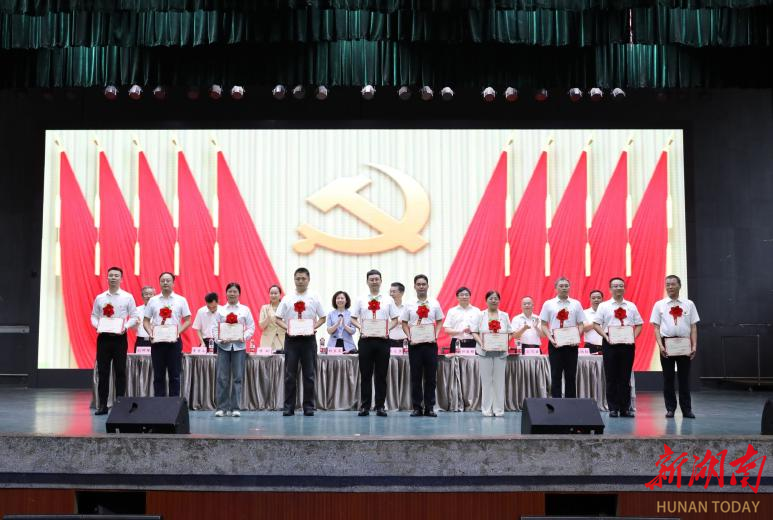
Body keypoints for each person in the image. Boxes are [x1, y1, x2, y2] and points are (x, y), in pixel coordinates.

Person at [274, 268, 326, 416]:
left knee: (309, 375)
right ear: (294, 279)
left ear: (308, 280)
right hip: (291, 340)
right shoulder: (287, 298)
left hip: (309, 340)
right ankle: (288, 407)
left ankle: (308, 407)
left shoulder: (314, 297)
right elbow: (277, 318)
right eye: (298, 278)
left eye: (303, 278)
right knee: (290, 375)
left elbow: (323, 318)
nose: (300, 281)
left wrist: (312, 327)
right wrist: (288, 328)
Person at [591, 278, 643, 418]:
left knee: (625, 377)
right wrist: (605, 337)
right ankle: (613, 408)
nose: (618, 288)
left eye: (621, 285)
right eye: (615, 286)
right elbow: (596, 324)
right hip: (610, 343)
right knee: (611, 377)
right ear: (610, 289)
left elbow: (639, 324)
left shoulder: (631, 306)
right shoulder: (604, 306)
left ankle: (625, 408)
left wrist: (633, 337)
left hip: (627, 344)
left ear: (624, 288)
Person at [351, 269, 399, 417]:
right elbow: (353, 318)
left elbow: (395, 319)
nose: (374, 282)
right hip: (365, 340)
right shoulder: (360, 299)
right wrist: (361, 328)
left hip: (383, 341)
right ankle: (365, 406)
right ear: (367, 281)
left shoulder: (388, 300)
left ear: (381, 281)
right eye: (371, 279)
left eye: (376, 279)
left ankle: (380, 406)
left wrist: (386, 329)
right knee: (365, 375)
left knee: (381, 375)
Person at [651, 274, 699, 419]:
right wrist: (660, 345)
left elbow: (693, 326)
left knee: (684, 378)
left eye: (673, 284)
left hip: (684, 344)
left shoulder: (689, 304)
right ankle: (670, 408)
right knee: (668, 378)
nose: (670, 287)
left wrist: (694, 345)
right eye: (668, 284)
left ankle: (687, 410)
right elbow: (656, 327)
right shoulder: (659, 304)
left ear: (679, 286)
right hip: (667, 344)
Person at [91, 266, 137, 415]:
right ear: (107, 278)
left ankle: (120, 406)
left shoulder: (127, 297)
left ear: (121, 279)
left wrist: (125, 326)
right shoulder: (100, 297)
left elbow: (134, 317)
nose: (113, 278)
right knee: (103, 372)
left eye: (116, 275)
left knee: (120, 372)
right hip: (103, 338)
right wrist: (98, 326)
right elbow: (94, 316)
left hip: (120, 338)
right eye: (111, 275)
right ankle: (102, 405)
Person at [143, 272, 192, 397]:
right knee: (158, 375)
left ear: (173, 283)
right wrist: (150, 333)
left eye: (168, 280)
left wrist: (177, 332)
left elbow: (188, 320)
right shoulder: (153, 300)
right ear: (159, 283)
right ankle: (159, 403)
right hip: (157, 342)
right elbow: (146, 321)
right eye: (163, 280)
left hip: (174, 342)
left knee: (174, 375)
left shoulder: (181, 300)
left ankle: (173, 403)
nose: (165, 283)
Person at [401, 275, 444, 417]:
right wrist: (409, 337)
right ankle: (417, 407)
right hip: (415, 345)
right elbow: (404, 323)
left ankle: (429, 407)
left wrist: (436, 335)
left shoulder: (434, 303)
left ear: (427, 286)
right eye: (418, 284)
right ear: (414, 286)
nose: (421, 286)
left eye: (423, 284)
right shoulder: (409, 304)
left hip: (430, 344)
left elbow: (439, 321)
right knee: (416, 377)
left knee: (431, 378)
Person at [540, 277, 588, 399]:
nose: (564, 288)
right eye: (561, 286)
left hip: (572, 343)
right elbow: (543, 325)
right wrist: (551, 339)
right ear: (555, 288)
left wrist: (577, 338)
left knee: (571, 375)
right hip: (555, 343)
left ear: (569, 287)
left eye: (566, 285)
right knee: (555, 374)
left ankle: (570, 402)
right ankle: (556, 402)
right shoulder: (548, 304)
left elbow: (581, 324)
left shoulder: (576, 304)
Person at [212, 282, 255, 417]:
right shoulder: (220, 310)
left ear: (239, 294)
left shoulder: (245, 310)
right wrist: (219, 340)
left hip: (239, 347)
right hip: (223, 347)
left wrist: (244, 337)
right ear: (226, 293)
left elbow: (251, 327)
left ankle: (235, 407)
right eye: (230, 291)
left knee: (238, 378)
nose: (232, 293)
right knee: (222, 378)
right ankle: (221, 408)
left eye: (235, 291)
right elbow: (214, 328)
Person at [471, 290, 513, 417]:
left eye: (496, 298)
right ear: (486, 300)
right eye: (491, 298)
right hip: (484, 352)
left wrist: (504, 342)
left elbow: (510, 333)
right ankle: (486, 409)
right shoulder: (480, 315)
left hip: (500, 352)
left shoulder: (504, 315)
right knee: (486, 381)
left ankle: (498, 409)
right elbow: (474, 332)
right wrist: (482, 343)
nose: (493, 300)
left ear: (499, 301)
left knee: (499, 381)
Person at [442, 287, 480, 354]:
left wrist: (472, 331)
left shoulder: (477, 311)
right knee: (456, 361)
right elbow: (446, 330)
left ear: (470, 297)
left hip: (473, 342)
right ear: (457, 297)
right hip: (456, 342)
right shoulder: (452, 311)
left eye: (466, 295)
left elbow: (480, 329)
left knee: (473, 361)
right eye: (462, 295)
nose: (464, 297)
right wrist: (460, 331)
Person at [259, 285, 285, 352]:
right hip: (267, 341)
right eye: (271, 293)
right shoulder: (264, 308)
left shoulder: (285, 308)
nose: (273, 295)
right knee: (266, 359)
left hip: (282, 340)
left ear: (280, 294)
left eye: (275, 293)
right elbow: (261, 326)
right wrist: (268, 317)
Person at [132, 286, 155, 352]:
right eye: (146, 294)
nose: (148, 296)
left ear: (154, 296)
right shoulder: (137, 310)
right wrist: (136, 324)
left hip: (155, 340)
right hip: (141, 341)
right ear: (142, 296)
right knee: (139, 359)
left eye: (151, 294)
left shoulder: (159, 309)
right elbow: (133, 328)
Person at [583, 290, 605, 354]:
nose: (596, 300)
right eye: (593, 298)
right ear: (590, 299)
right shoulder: (584, 313)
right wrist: (598, 321)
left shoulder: (607, 312)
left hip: (606, 346)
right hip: (590, 347)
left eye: (599, 298)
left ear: (602, 299)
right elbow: (584, 328)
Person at [388, 282, 407, 350]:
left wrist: (397, 321)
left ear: (402, 293)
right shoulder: (386, 307)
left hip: (405, 341)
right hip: (389, 341)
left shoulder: (407, 307)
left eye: (394, 292)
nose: (391, 294)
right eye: (390, 292)